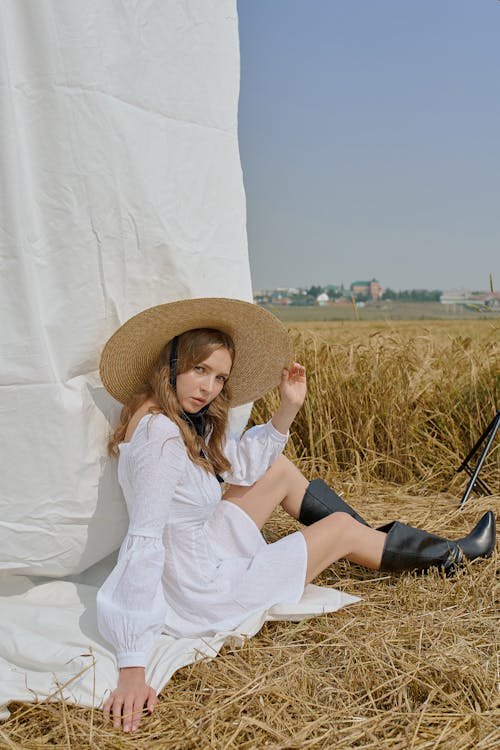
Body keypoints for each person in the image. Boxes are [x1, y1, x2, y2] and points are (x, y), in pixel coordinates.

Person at [97, 297, 496, 733]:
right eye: (199, 369)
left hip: (199, 549)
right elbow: (145, 540)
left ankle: (374, 543)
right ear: (172, 363)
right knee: (340, 527)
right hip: (199, 591)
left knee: (281, 470)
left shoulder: (173, 417)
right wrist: (132, 666)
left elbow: (242, 466)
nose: (208, 387)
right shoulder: (161, 438)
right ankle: (449, 555)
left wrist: (288, 407)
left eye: (219, 377)